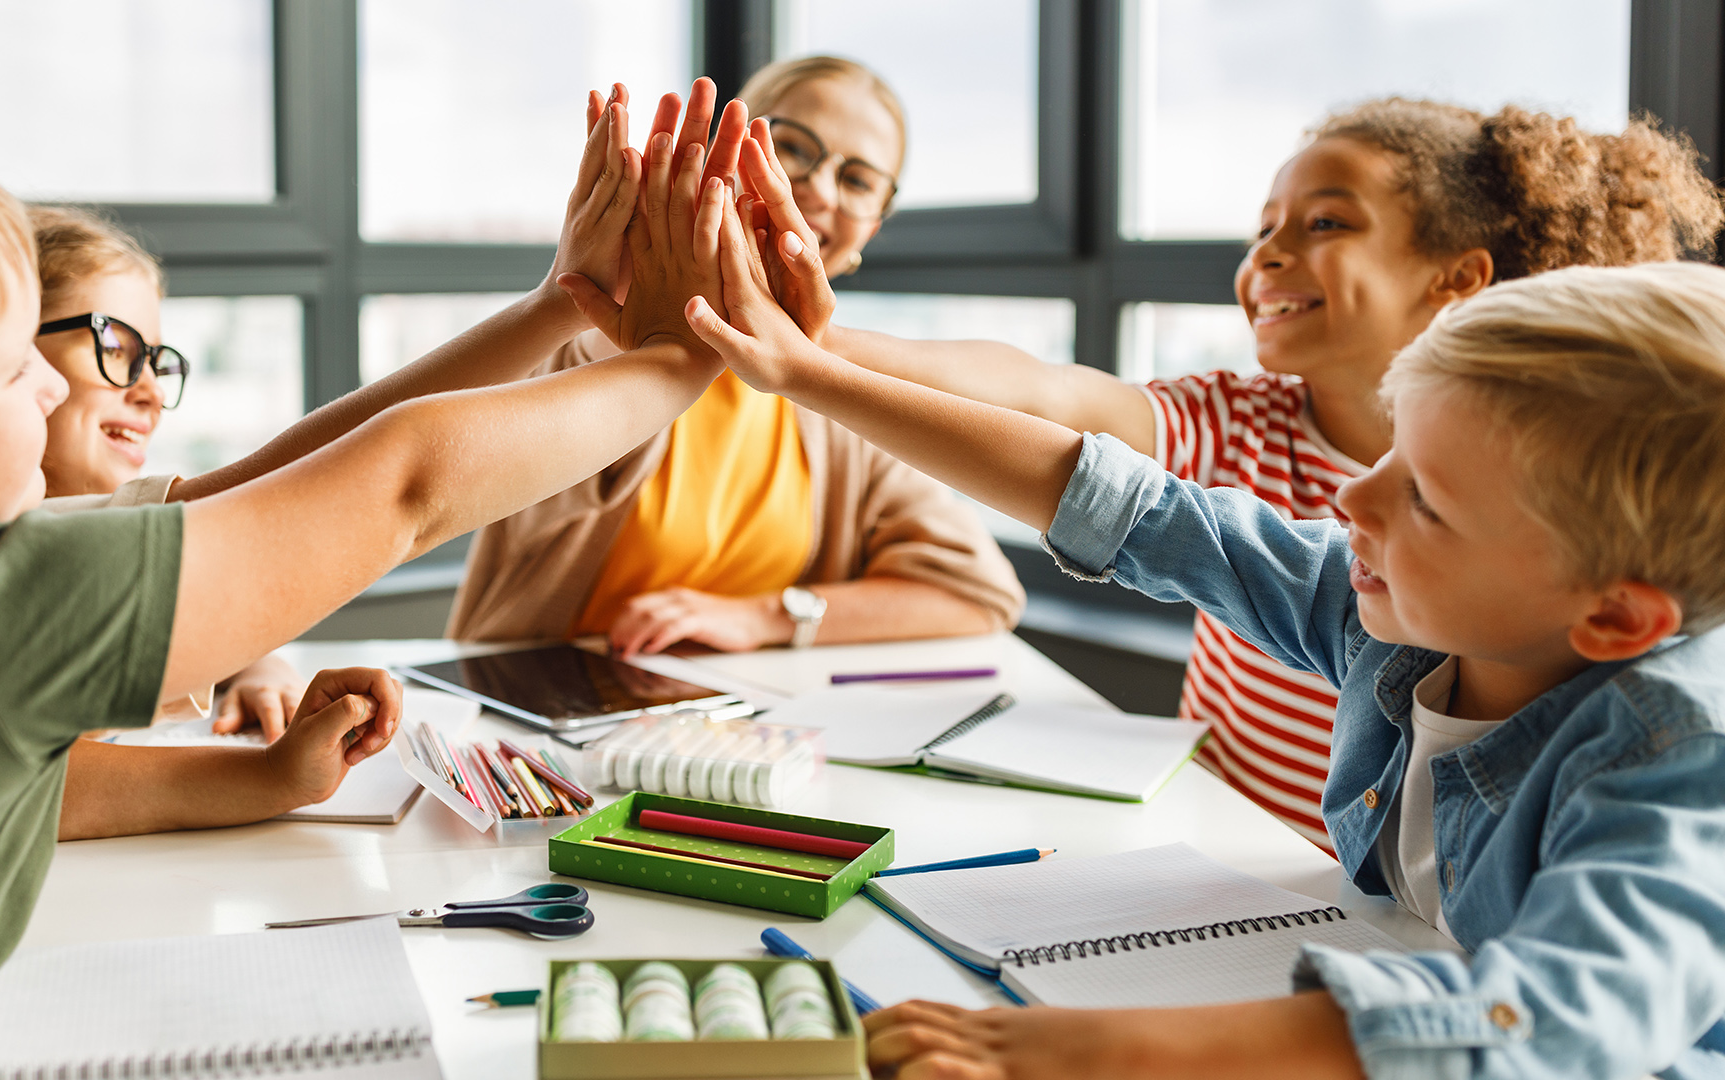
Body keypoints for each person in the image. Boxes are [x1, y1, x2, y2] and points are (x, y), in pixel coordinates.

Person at [672, 130, 1725, 1078]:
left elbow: (1543, 1021)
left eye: (1430, 501)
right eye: (1392, 451)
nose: (1353, 496)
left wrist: (1081, 1049)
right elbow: (1130, 505)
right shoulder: (1388, 610)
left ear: (1619, 620)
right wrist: (806, 372)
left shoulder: (1678, 759)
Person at [0, 109, 728, 1078]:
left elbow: (250, 491)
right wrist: (682, 355)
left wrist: (559, 307)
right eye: (7, 368)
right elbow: (400, 486)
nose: (41, 387)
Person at [810, 99, 1725, 850]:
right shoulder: (1235, 419)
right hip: (1212, 844)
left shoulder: (1553, 551)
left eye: (1325, 222)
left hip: (1355, 892)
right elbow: (1051, 400)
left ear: (1457, 278)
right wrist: (816, 347)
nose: (1268, 255)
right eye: (1263, 229)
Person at [448, 63, 1026, 655]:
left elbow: (981, 592)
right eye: (793, 148)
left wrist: (766, 618)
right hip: (528, 722)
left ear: (870, 231)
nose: (820, 191)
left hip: (725, 731)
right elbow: (453, 469)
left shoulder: (841, 401)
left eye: (857, 181)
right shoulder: (599, 343)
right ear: (728, 149)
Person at [29, 204, 304, 738]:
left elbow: (209, 617)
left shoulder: (112, 538)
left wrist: (259, 667)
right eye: (115, 346)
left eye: (157, 361)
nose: (152, 392)